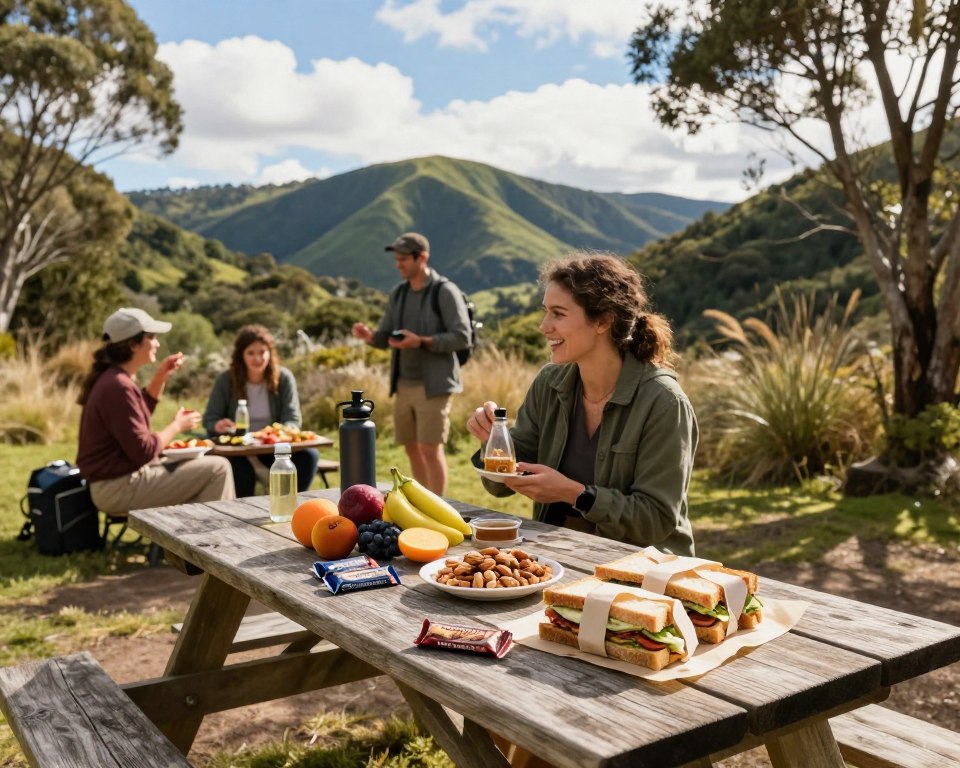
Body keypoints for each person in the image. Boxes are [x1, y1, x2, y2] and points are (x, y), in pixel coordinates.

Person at [466, 252, 698, 556]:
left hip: (645, 570)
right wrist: (494, 443)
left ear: (602, 321)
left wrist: (575, 494)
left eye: (558, 314)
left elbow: (655, 520)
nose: (543, 326)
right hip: (560, 555)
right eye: (545, 312)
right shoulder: (549, 382)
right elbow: (500, 487)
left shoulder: (664, 402)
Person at [77, 307, 235, 513]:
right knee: (217, 469)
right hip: (117, 488)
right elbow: (144, 451)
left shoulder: (114, 379)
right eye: (151, 337)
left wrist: (162, 374)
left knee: (205, 472)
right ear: (133, 344)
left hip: (116, 483)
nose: (157, 343)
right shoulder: (118, 386)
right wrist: (177, 425)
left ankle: (185, 542)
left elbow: (139, 412)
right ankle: (211, 542)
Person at [351, 232, 471, 495]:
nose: (398, 264)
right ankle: (422, 501)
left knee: (430, 447)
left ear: (422, 258)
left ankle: (438, 507)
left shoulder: (445, 291)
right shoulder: (399, 293)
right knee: (412, 447)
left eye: (404, 259)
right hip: (403, 384)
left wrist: (421, 341)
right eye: (397, 259)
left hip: (435, 385)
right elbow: (386, 335)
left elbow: (462, 336)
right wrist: (370, 337)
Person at [203, 324, 318, 497]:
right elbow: (210, 419)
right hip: (238, 450)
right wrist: (218, 425)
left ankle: (291, 504)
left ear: (270, 353)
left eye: (262, 352)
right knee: (241, 471)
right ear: (241, 355)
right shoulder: (225, 380)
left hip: (272, 447)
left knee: (309, 455)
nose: (257, 358)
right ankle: (244, 513)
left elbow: (293, 420)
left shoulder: (283, 378)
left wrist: (279, 433)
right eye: (251, 353)